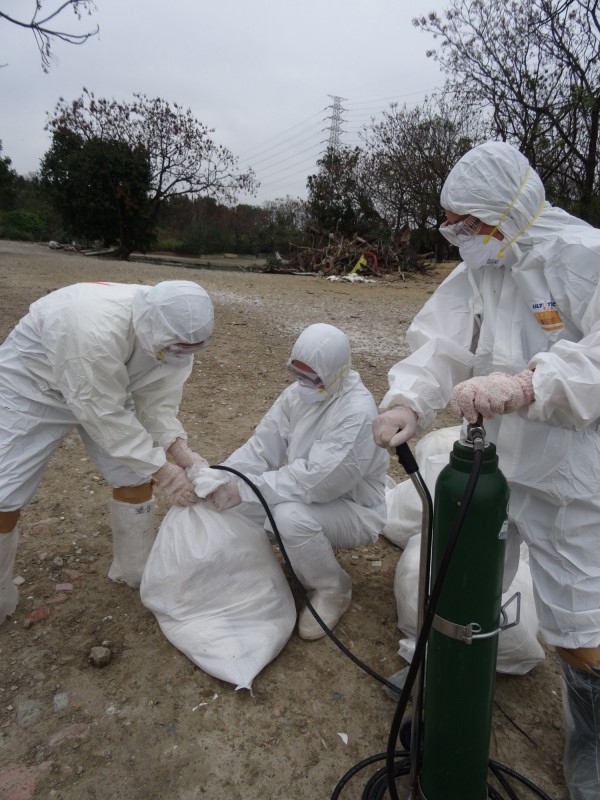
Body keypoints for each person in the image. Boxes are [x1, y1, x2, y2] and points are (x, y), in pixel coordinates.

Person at [372, 140, 600, 800]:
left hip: (569, 479)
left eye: (467, 224)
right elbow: (439, 343)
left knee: (583, 626)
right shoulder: (480, 269)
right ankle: (436, 685)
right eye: (454, 226)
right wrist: (405, 401)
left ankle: (591, 743)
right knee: (459, 583)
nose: (459, 237)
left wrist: (533, 383)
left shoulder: (583, 256)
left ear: (507, 210)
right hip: (492, 464)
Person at [0, 279, 213, 623]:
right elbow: (100, 412)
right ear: (149, 325)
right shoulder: (93, 330)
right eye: (175, 347)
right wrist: (167, 471)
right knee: (4, 490)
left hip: (109, 381)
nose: (181, 354)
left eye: (188, 349)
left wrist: (180, 450)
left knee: (134, 474)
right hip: (33, 381)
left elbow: (157, 401)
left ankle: (135, 570)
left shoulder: (175, 339)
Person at [207, 323, 389, 641]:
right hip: (303, 490)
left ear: (338, 372)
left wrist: (245, 490)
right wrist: (221, 477)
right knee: (231, 507)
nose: (303, 384)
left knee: (287, 518)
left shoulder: (356, 412)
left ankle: (333, 590)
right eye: (298, 375)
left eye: (312, 377)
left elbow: (318, 483)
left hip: (353, 507)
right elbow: (262, 447)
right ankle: (252, 574)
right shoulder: (299, 395)